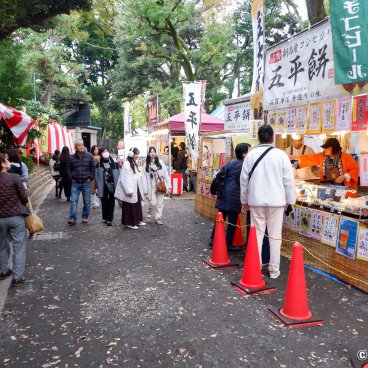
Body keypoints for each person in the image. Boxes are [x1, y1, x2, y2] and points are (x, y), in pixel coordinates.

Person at [240, 125, 296, 279]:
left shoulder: (250, 156)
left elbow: (243, 180)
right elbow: (288, 181)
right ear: (272, 137)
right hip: (276, 202)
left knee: (256, 236)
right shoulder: (281, 155)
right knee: (275, 236)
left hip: (256, 201)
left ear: (258, 137)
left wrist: (244, 200)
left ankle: (255, 267)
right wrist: (290, 201)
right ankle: (273, 269)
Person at [209, 143, 250, 251]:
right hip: (234, 195)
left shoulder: (231, 162)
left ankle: (213, 240)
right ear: (244, 153)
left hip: (223, 193)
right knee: (232, 222)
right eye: (249, 151)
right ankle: (227, 244)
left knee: (220, 218)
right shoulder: (244, 165)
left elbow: (220, 174)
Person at [290, 137, 359, 198]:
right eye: (324, 148)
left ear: (334, 148)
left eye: (327, 148)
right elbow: (310, 157)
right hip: (327, 189)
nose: (325, 150)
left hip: (343, 189)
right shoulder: (322, 156)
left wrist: (344, 176)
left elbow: (355, 169)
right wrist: (296, 157)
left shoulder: (346, 157)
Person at [0, 153, 29, 286]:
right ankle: (17, 277)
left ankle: (4, 270)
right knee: (19, 246)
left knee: (2, 246)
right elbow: (24, 198)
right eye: (6, 160)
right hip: (16, 217)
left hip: (1, 219)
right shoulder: (15, 178)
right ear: (3, 164)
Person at [115, 147, 147, 230]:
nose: (137, 156)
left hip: (135, 186)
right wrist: (128, 190)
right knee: (130, 206)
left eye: (137, 154)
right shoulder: (126, 164)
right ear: (131, 154)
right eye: (136, 154)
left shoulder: (132, 162)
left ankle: (137, 220)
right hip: (130, 188)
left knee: (137, 204)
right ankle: (129, 222)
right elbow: (125, 178)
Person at [66, 140, 95, 225]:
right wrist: (71, 178)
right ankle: (72, 218)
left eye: (82, 145)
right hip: (75, 183)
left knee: (87, 201)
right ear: (75, 147)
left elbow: (93, 168)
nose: (81, 146)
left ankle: (85, 217)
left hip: (86, 182)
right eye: (79, 145)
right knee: (74, 201)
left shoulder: (89, 156)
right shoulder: (71, 157)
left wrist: (91, 177)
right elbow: (67, 169)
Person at [142, 146, 171, 225]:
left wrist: (169, 185)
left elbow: (165, 174)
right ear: (148, 154)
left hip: (160, 185)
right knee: (152, 203)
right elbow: (144, 178)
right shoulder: (146, 165)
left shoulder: (160, 162)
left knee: (160, 203)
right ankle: (148, 215)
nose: (152, 153)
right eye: (151, 152)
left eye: (154, 151)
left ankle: (158, 217)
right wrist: (145, 191)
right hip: (151, 187)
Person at [95, 147, 119, 226]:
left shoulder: (114, 162)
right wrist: (96, 187)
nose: (106, 153)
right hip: (102, 184)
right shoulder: (98, 163)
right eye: (103, 151)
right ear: (101, 154)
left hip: (112, 184)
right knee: (104, 202)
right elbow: (96, 176)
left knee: (111, 202)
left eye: (107, 151)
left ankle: (110, 219)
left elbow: (117, 174)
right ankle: (105, 217)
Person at [90, 145, 100, 209]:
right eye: (95, 149)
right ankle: (93, 201)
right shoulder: (90, 157)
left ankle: (97, 202)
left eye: (97, 149)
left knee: (98, 188)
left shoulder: (100, 156)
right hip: (92, 173)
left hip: (98, 174)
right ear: (93, 150)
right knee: (93, 188)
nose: (96, 151)